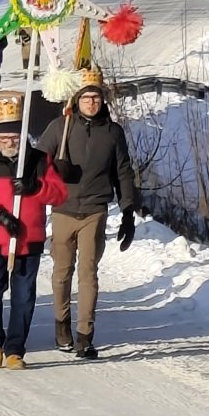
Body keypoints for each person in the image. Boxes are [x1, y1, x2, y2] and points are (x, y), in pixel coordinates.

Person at [36, 68, 139, 359]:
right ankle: (61, 325)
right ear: (77, 100)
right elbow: (39, 162)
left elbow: (123, 171)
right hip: (63, 208)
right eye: (86, 97)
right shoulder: (60, 127)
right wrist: (54, 169)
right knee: (61, 272)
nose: (91, 103)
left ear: (102, 100)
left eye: (96, 97)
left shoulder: (113, 132)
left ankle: (85, 334)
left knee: (88, 273)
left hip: (95, 209)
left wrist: (128, 209)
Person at [0, 93, 67, 369]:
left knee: (24, 295)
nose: (9, 143)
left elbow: (59, 193)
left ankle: (15, 348)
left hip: (28, 238)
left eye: (15, 138)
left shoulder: (39, 160)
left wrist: (36, 188)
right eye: (4, 138)